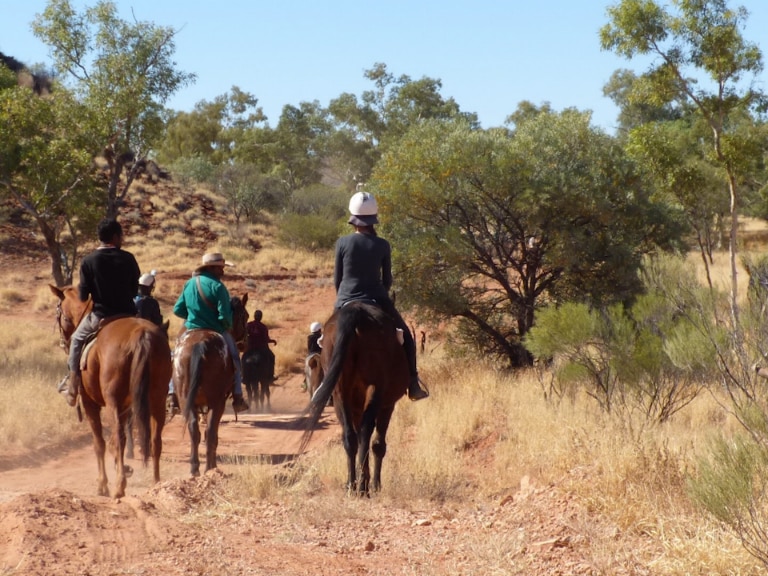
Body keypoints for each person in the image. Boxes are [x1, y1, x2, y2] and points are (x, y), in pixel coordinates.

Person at [314, 191, 429, 401]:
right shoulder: (383, 245)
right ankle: (413, 383)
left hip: (345, 298)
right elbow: (387, 281)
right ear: (373, 218)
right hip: (377, 299)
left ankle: (325, 384)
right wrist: (380, 294)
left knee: (325, 339)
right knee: (408, 338)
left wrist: (343, 298)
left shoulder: (342, 243)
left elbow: (337, 279)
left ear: (353, 217)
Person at [59, 218, 141, 406]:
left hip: (101, 317)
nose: (122, 238)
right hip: (129, 315)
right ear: (115, 236)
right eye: (121, 235)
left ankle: (73, 387)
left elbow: (83, 294)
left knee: (77, 340)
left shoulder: (89, 261)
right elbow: (134, 290)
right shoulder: (128, 258)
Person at [173, 252, 249, 413]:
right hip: (216, 330)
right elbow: (225, 316)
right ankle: (237, 396)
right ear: (212, 268)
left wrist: (194, 316)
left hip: (191, 328)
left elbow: (177, 309)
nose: (223, 271)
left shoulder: (189, 284)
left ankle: (172, 394)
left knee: (176, 356)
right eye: (221, 267)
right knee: (235, 358)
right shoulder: (218, 286)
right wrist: (225, 325)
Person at [245, 309, 277, 382]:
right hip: (261, 348)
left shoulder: (248, 325)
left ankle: (243, 376)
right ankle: (270, 377)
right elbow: (266, 339)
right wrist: (272, 341)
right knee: (272, 357)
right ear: (261, 317)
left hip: (250, 347)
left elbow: (244, 335)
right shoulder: (263, 327)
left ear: (254, 316)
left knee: (243, 358)